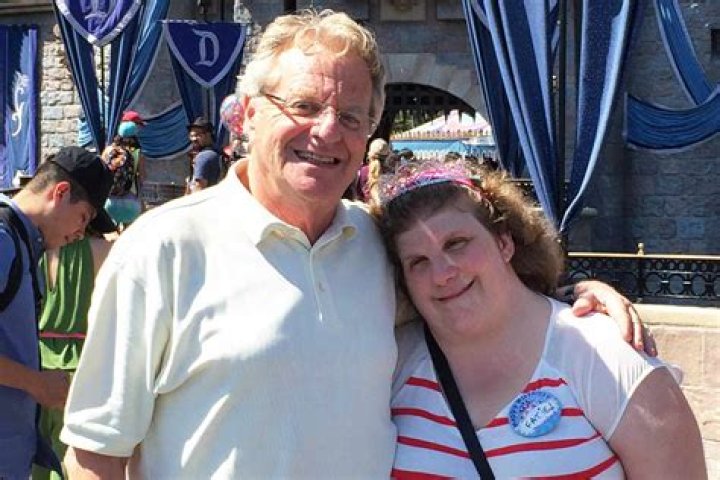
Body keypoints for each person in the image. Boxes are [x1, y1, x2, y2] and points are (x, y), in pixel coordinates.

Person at [61, 10, 648, 479]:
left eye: (350, 117)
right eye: (304, 106)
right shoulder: (162, 249)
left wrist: (574, 295)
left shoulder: (377, 244)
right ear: (249, 116)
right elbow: (94, 454)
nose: (327, 131)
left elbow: (472, 292)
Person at [371, 160, 706, 478]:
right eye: (418, 262)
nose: (442, 273)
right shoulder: (391, 364)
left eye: (456, 243)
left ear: (504, 242)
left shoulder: (605, 356)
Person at [0, 146, 115, 479]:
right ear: (60, 193)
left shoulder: (20, 242)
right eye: (84, 218)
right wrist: (35, 383)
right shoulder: (4, 240)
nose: (80, 233)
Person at [32, 233, 113, 480]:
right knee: (72, 458)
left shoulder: (27, 248)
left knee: (34, 455)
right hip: (83, 366)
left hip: (32, 366)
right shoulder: (105, 251)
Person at [101, 111, 147, 227]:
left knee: (111, 232)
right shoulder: (137, 152)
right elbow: (142, 178)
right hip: (130, 201)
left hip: (108, 200)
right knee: (130, 232)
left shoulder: (109, 149)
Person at [185, 116, 222, 194]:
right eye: (191, 136)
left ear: (208, 135)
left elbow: (198, 189)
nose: (194, 139)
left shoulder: (203, 156)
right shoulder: (218, 153)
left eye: (198, 135)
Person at [356, 137, 392, 202]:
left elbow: (358, 195)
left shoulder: (362, 171)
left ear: (370, 154)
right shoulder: (391, 173)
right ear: (387, 155)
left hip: (366, 207)